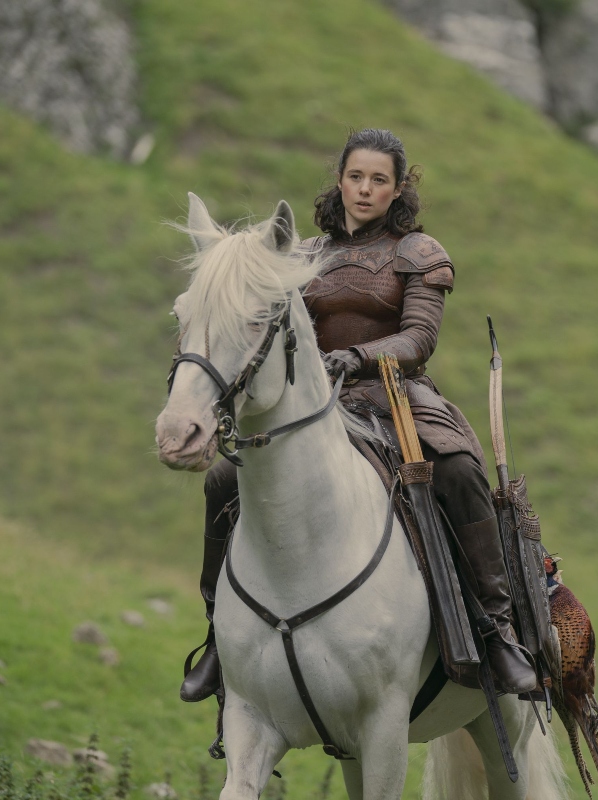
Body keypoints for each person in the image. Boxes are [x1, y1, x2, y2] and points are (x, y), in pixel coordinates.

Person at [180, 128, 539, 702]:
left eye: (379, 180)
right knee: (224, 477)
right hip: (315, 403)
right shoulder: (300, 256)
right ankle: (219, 638)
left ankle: (497, 632)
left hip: (396, 394)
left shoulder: (418, 253)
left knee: (456, 468)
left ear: (397, 190)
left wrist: (356, 357)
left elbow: (418, 338)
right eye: (355, 177)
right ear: (341, 182)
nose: (365, 189)